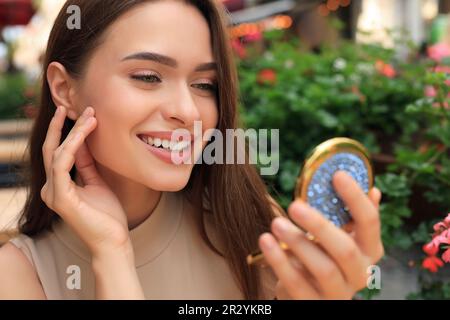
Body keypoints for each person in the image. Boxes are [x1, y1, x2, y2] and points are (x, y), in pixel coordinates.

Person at [0, 0, 383, 300]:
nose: (187, 112)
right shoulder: (17, 275)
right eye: (148, 77)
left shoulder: (246, 224)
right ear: (64, 88)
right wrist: (112, 255)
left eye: (204, 84)